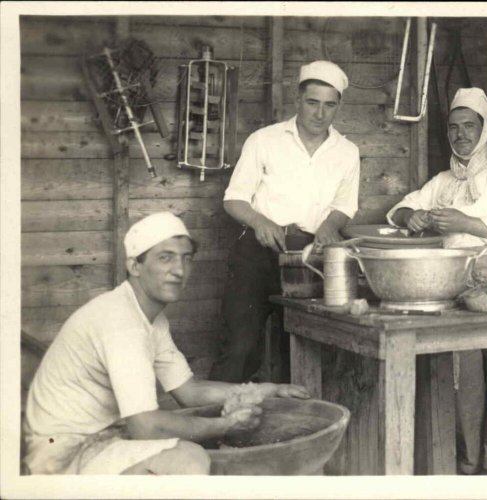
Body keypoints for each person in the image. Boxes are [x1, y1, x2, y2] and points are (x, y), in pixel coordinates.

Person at [22, 212, 310, 475]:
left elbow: (190, 392)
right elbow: (146, 427)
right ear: (135, 265)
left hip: (103, 437)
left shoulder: (150, 319)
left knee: (192, 447)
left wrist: (268, 390)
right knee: (188, 459)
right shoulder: (121, 322)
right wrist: (225, 425)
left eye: (186, 258)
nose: (179, 270)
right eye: (165, 258)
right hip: (61, 455)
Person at [387, 87, 487, 475]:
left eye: (469, 126)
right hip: (456, 290)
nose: (461, 134)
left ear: (484, 129)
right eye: (454, 127)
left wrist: (465, 223)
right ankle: (467, 465)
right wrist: (409, 218)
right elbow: (399, 208)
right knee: (463, 377)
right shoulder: (442, 181)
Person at [209, 60, 360, 383]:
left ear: (339, 107)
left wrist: (330, 225)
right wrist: (260, 221)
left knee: (298, 348)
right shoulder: (264, 140)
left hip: (309, 259)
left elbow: (345, 204)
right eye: (312, 103)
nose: (320, 113)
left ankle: (291, 430)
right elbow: (233, 198)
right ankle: (215, 429)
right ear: (297, 101)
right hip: (257, 253)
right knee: (240, 347)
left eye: (329, 105)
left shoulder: (347, 152)